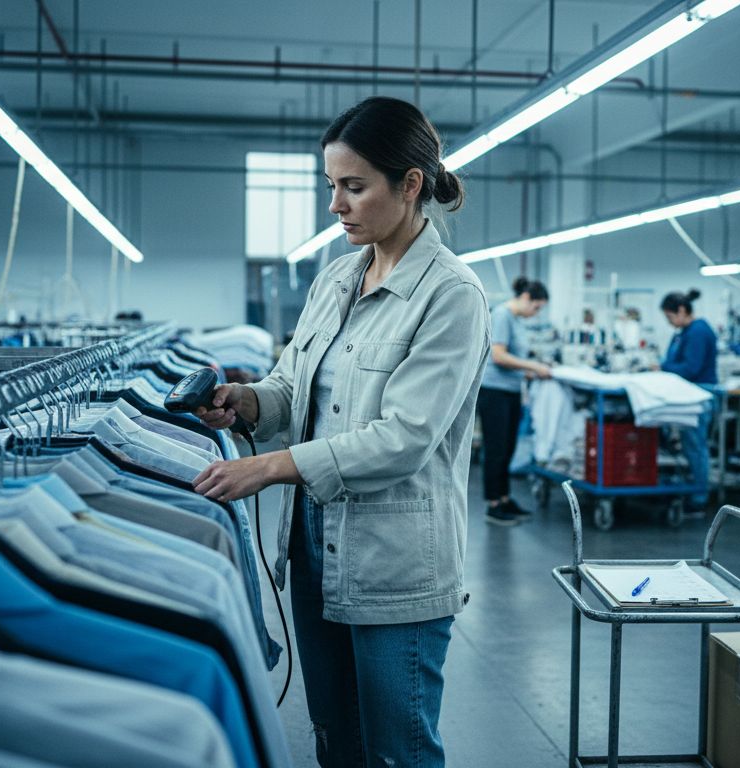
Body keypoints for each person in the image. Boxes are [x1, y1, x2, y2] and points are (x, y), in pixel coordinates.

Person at [190, 96, 489, 768]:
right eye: (332, 187)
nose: (337, 205)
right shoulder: (336, 280)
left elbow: (404, 437)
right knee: (337, 742)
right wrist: (245, 401)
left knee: (398, 752)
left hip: (395, 568)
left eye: (354, 187)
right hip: (314, 553)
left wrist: (268, 467)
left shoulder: (450, 295)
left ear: (410, 185)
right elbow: (293, 387)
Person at [477, 277, 550, 526]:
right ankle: (493, 505)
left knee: (507, 447)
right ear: (526, 298)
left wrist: (528, 371)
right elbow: (498, 356)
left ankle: (505, 498)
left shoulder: (517, 321)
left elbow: (514, 359)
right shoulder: (502, 315)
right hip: (494, 391)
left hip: (510, 390)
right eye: (537, 307)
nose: (536, 313)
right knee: (496, 448)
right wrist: (533, 366)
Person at [659, 288, 718, 513]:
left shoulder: (698, 332)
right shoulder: (684, 332)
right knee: (688, 444)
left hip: (699, 394)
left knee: (695, 446)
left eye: (670, 317)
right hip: (687, 394)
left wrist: (663, 368)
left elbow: (691, 368)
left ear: (682, 311)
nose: (670, 322)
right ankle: (691, 487)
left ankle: (699, 497)